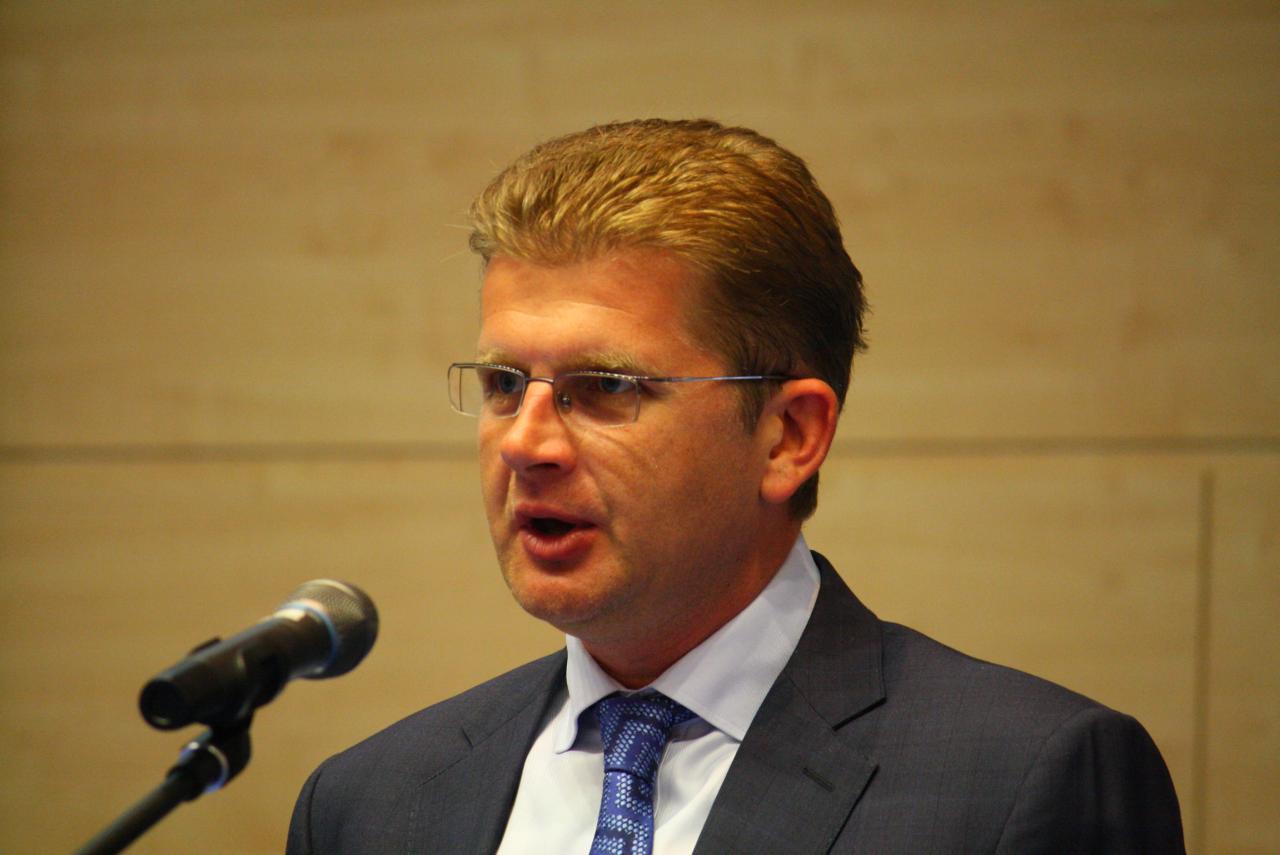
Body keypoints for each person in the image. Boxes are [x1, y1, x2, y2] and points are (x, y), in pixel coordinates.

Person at [286, 119, 1184, 854]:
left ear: (789, 436)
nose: (525, 442)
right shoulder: (368, 805)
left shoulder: (1025, 780)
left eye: (607, 387)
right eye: (502, 384)